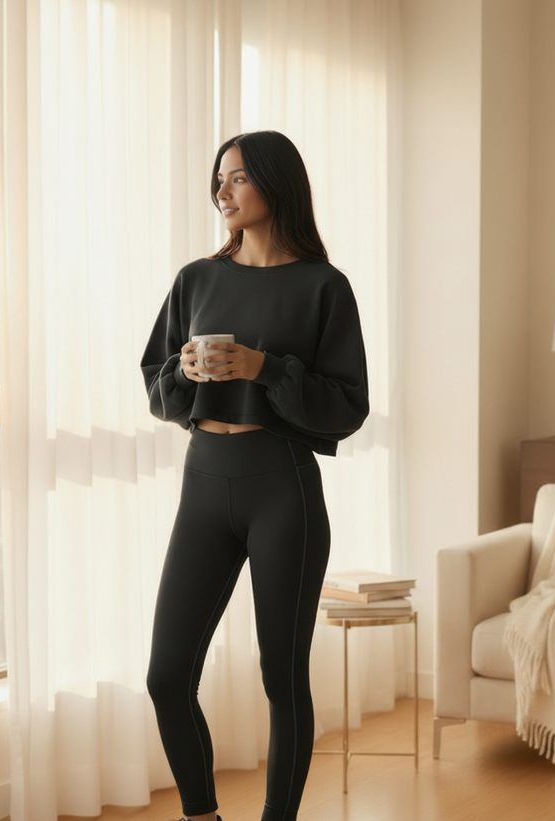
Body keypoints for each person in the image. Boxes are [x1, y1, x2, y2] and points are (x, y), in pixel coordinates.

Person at [141, 130, 370, 821]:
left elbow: (347, 405)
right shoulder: (196, 279)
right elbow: (155, 384)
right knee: (166, 675)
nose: (222, 190)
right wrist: (182, 374)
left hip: (282, 486)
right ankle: (201, 815)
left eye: (236, 177)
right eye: (219, 179)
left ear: (275, 183)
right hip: (204, 479)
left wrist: (262, 367)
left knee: (281, 676)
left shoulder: (323, 286)